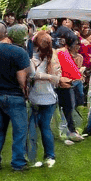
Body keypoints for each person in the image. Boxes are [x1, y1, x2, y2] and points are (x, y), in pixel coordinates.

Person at [0, 22, 31, 171]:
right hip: (14, 95)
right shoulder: (19, 52)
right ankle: (18, 163)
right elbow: (21, 77)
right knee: (20, 131)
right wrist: (25, 90)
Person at [27, 31, 60, 168]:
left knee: (32, 127)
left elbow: (30, 76)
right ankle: (49, 155)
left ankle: (32, 156)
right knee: (45, 127)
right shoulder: (53, 58)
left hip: (35, 97)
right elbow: (57, 79)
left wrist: (39, 75)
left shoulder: (31, 59)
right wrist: (49, 77)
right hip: (49, 97)